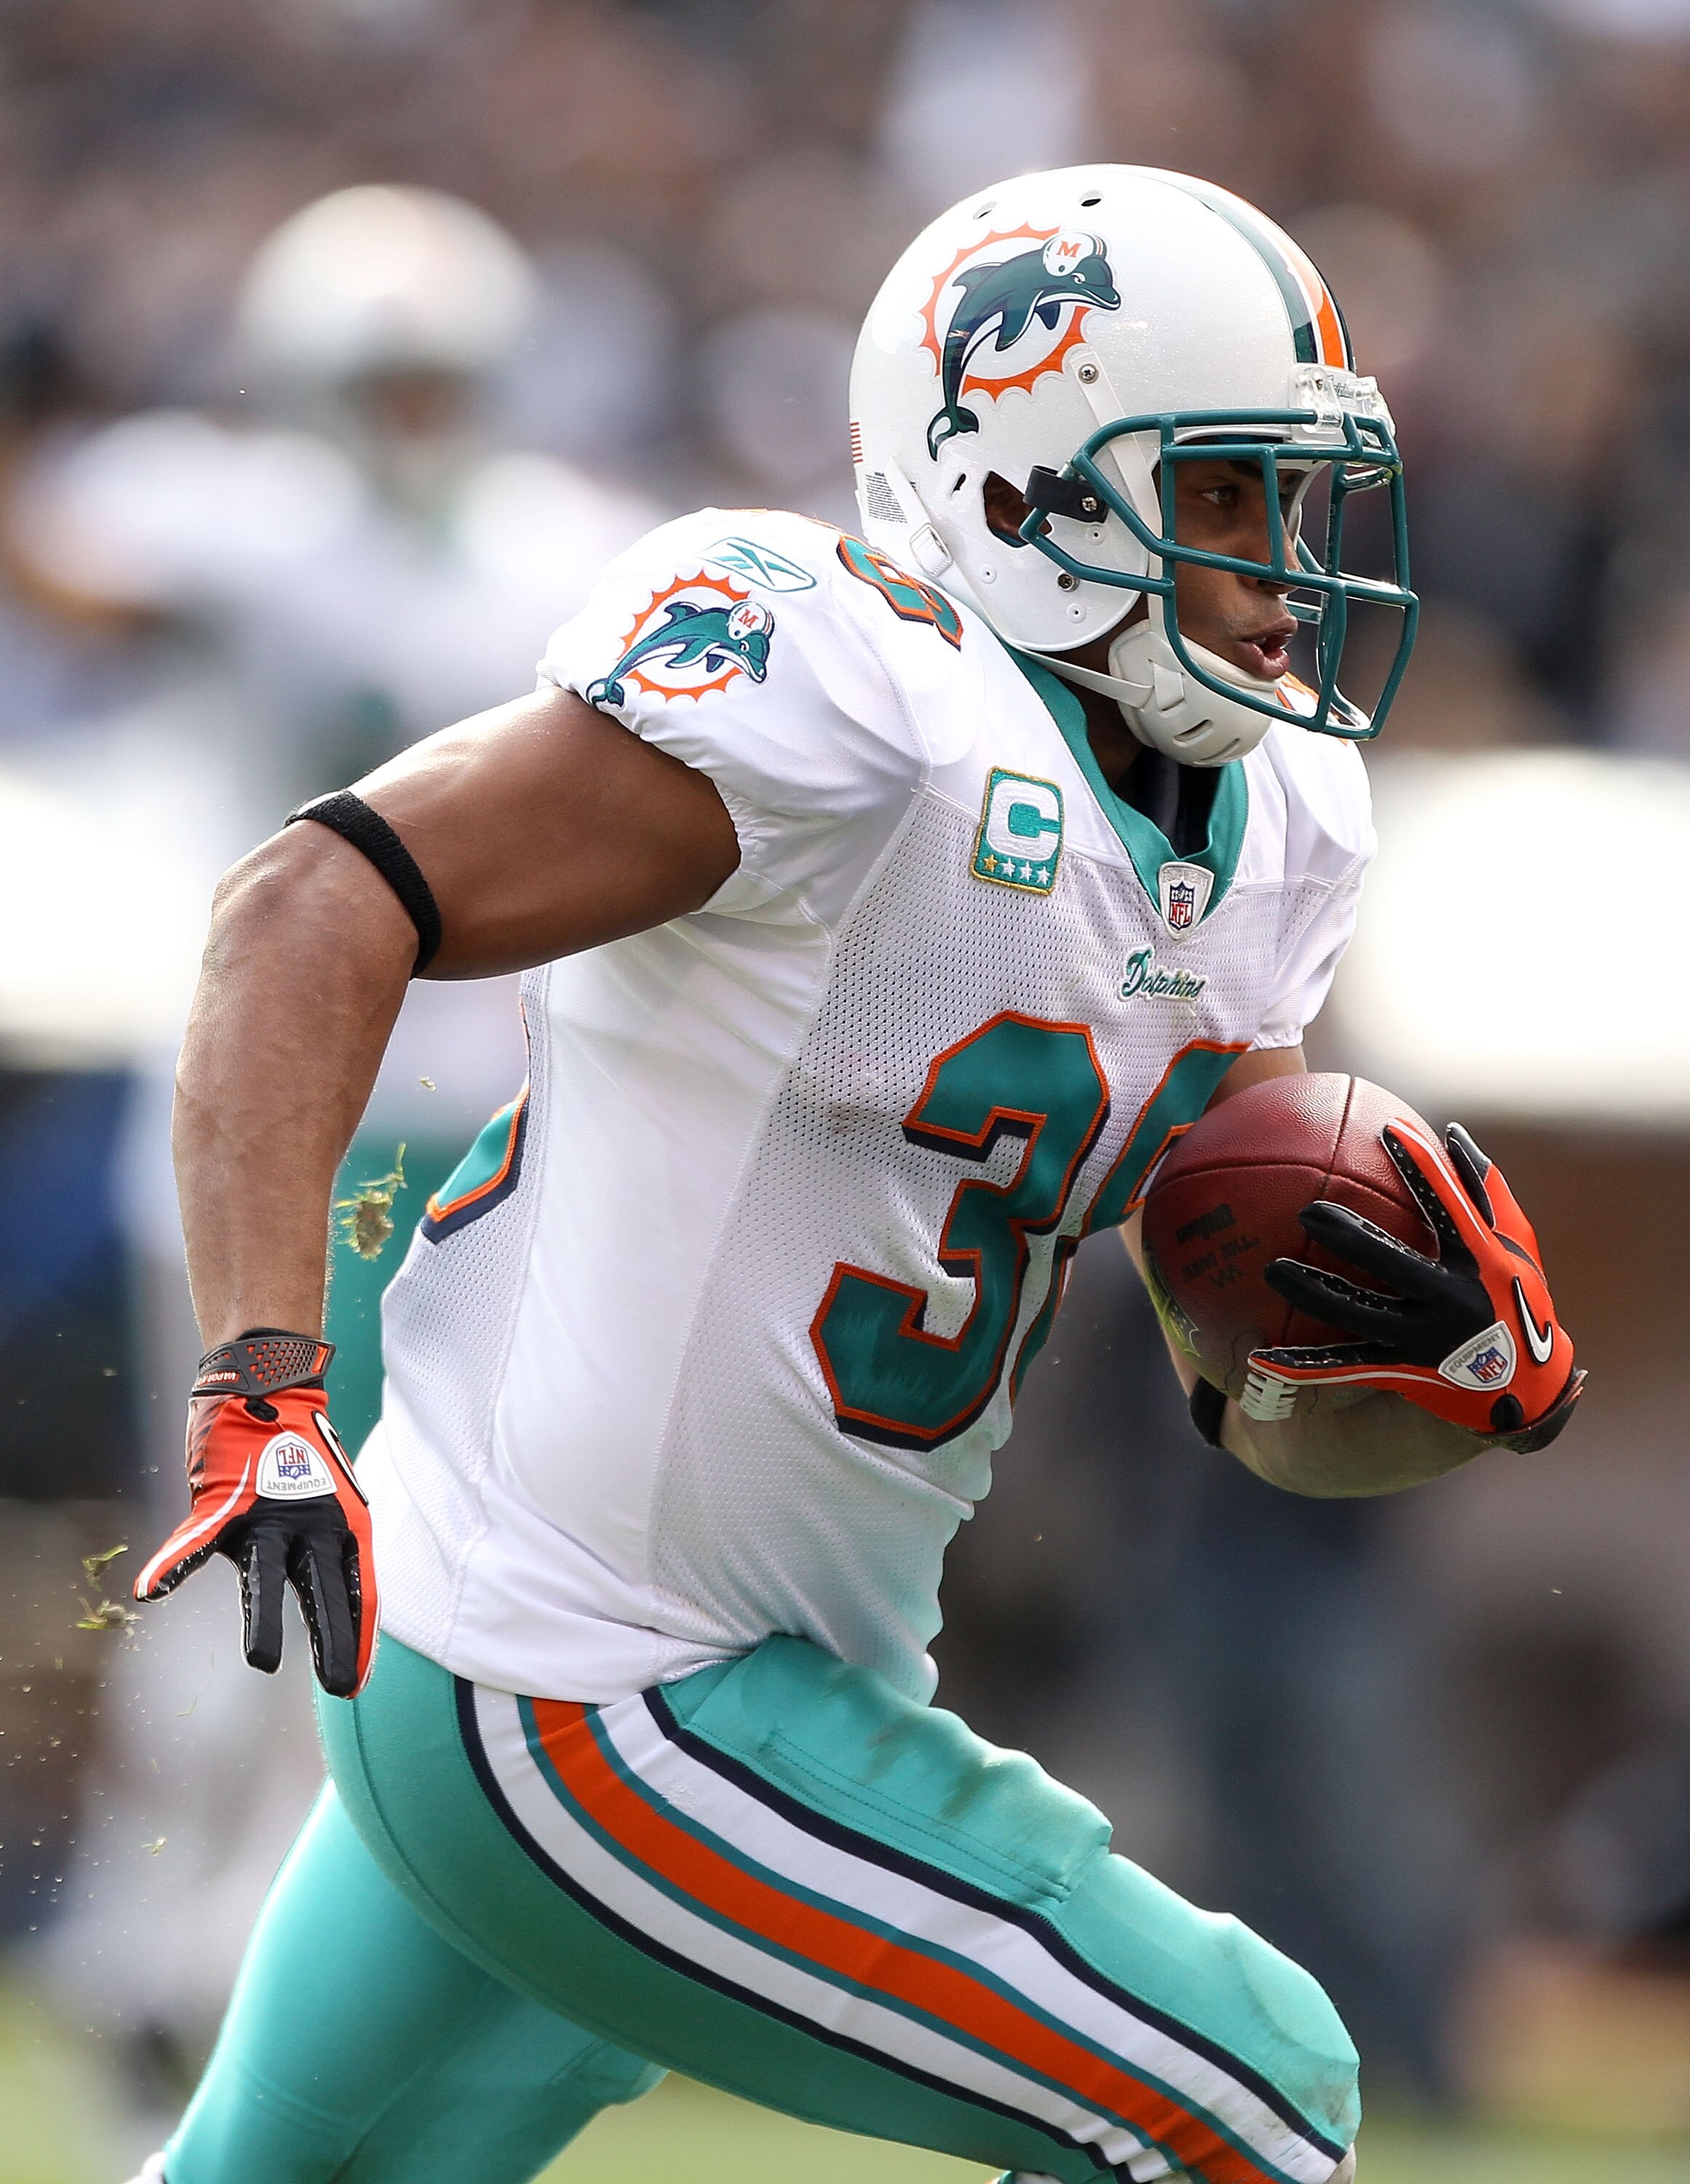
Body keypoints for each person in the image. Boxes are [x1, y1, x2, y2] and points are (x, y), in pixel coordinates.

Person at [124, 167, 1582, 2184]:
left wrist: (1407, 1346)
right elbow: (306, 903)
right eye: (1225, 498)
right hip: (602, 1685)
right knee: (1248, 2091)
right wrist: (265, 1383)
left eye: (1294, 507)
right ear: (1016, 490)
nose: (1282, 572)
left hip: (678, 1680)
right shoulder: (854, 687)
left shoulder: (1279, 825)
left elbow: (1227, 1341)